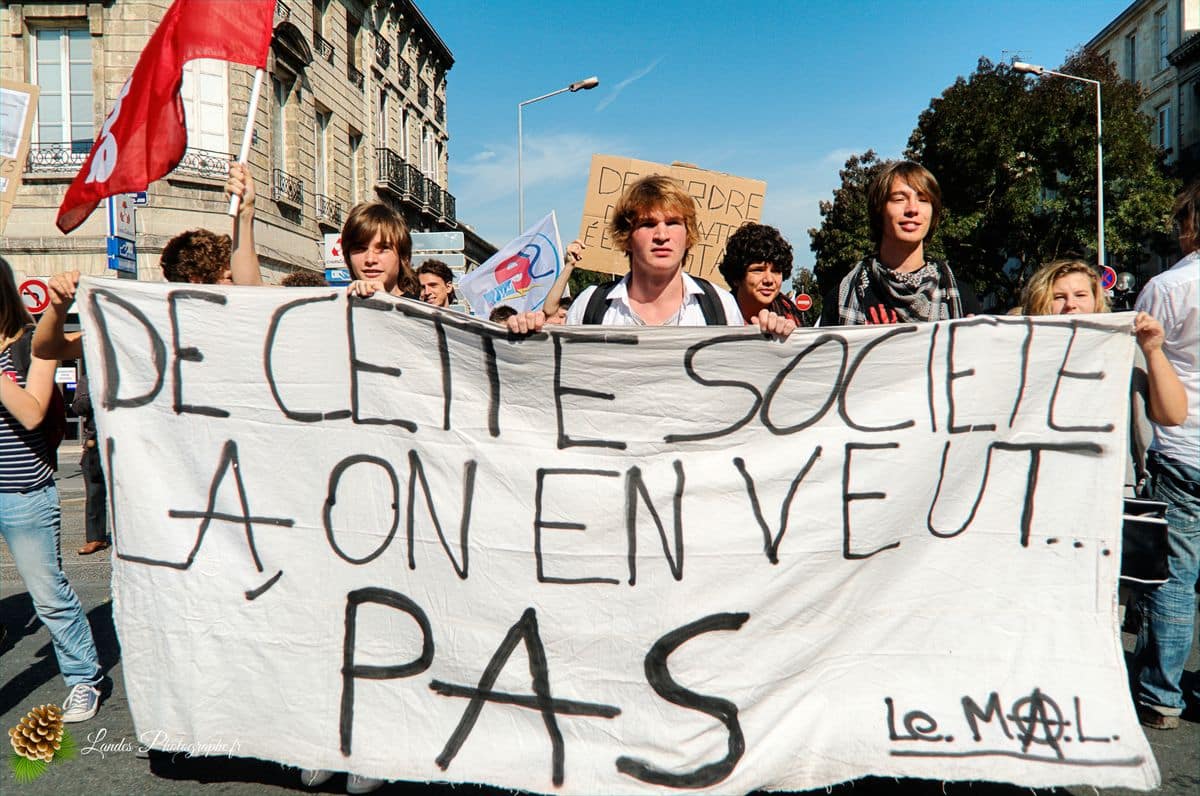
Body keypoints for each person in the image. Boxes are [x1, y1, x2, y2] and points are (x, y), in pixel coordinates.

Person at [0, 257, 103, 723]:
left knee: (49, 595)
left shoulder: (29, 345)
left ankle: (84, 679)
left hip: (24, 493)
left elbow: (32, 413)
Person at [505, 175, 794, 336]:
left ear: (688, 235)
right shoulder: (590, 306)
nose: (661, 235)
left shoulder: (719, 306)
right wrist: (524, 342)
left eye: (673, 223)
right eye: (647, 224)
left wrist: (776, 346)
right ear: (626, 236)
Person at [1130, 179, 1200, 731]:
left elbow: (1137, 363)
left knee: (1173, 579)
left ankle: (1160, 695)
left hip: (1181, 447)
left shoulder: (1169, 287)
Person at [226, 163, 417, 302]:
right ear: (347, 256)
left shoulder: (426, 316)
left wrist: (386, 306)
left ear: (404, 257)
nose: (370, 259)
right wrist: (245, 214)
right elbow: (251, 294)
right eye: (359, 248)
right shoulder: (334, 305)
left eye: (383, 249)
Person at [820, 160, 979, 326]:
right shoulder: (842, 298)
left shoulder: (962, 299)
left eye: (923, 199)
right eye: (899, 199)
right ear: (879, 210)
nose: (913, 209)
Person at [718, 222, 804, 324]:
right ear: (736, 278)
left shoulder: (792, 319)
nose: (769, 280)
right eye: (758, 270)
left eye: (776, 271)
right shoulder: (715, 316)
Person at [73, 362, 108, 556]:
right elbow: (78, 407)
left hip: (123, 441)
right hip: (95, 442)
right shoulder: (89, 379)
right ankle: (96, 537)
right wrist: (96, 392)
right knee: (94, 493)